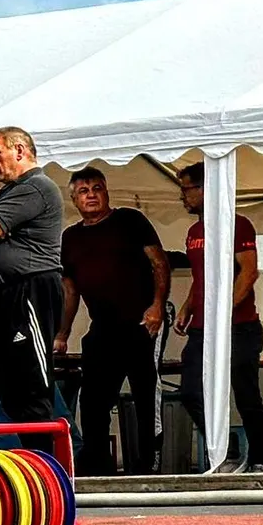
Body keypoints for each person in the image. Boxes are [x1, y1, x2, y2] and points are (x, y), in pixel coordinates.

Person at [56, 167, 171, 475]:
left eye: (96, 188)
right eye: (83, 191)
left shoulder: (130, 220)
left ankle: (147, 466)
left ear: (106, 192)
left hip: (142, 323)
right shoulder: (71, 237)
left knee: (145, 396)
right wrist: (62, 333)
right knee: (92, 401)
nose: (91, 194)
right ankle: (98, 467)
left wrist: (157, 306)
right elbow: (70, 290)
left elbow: (159, 262)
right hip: (102, 328)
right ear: (74, 200)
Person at [172, 163, 263, 473]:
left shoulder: (237, 224)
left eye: (186, 190)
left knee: (245, 391)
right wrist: (188, 307)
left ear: (205, 189)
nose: (182, 197)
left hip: (239, 326)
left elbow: (248, 272)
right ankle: (226, 448)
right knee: (189, 390)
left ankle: (259, 459)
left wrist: (222, 312)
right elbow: (202, 279)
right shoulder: (193, 232)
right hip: (202, 328)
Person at [0, 127, 64, 454]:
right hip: (3, 296)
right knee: (9, 387)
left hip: (28, 291)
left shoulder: (35, 185)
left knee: (30, 384)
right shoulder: (7, 193)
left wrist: (0, 234)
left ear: (19, 150)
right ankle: (30, 461)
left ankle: (46, 464)